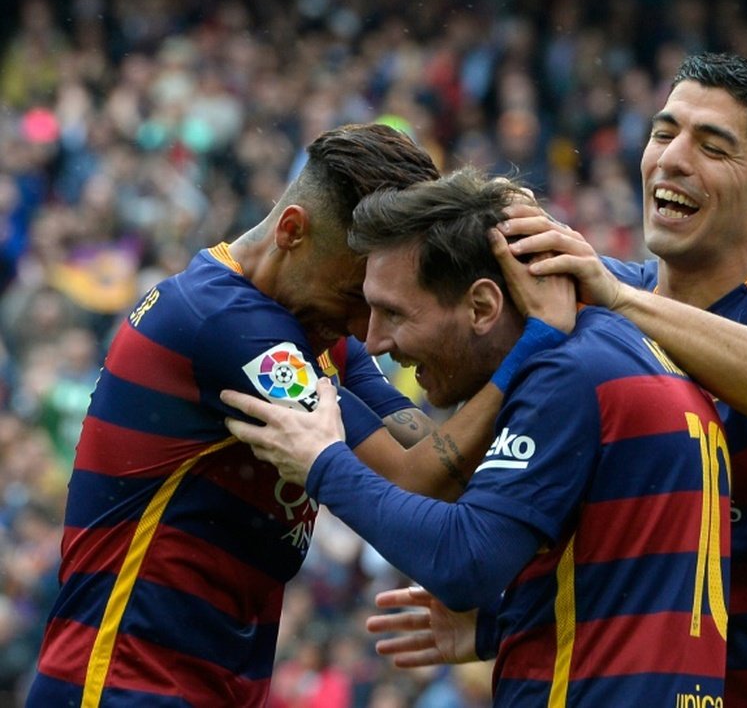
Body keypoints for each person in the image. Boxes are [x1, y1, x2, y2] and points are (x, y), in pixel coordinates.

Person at [368, 52, 747, 707]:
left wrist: (619, 299)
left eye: (712, 146)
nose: (672, 158)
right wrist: (500, 620)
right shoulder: (599, 298)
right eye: (663, 132)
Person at [25, 124, 558, 707]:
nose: (369, 332)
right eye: (356, 297)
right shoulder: (229, 326)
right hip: (120, 685)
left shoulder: (312, 326)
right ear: (292, 231)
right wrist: (539, 340)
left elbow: (433, 456)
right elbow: (417, 477)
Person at [221, 168, 732, 707]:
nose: (373, 342)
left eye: (393, 312)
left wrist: (323, 463)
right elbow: (627, 567)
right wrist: (504, 624)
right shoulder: (626, 347)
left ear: (483, 306)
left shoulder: (567, 374)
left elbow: (465, 563)